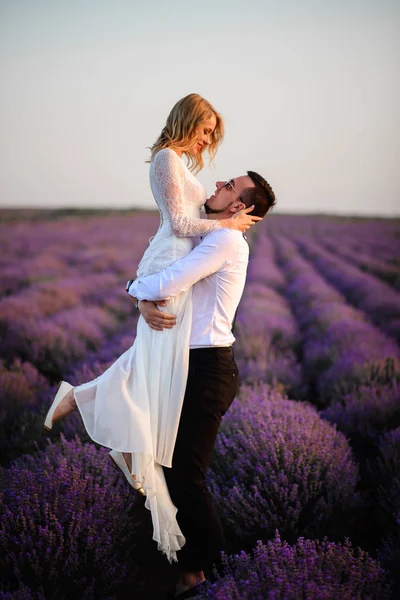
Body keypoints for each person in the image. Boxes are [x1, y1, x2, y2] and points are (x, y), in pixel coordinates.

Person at [42, 93, 260, 564]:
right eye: (205, 130)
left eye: (211, 135)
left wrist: (225, 227)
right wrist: (226, 224)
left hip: (178, 269)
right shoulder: (166, 159)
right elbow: (183, 221)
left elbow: (196, 223)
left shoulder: (194, 182)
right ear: (186, 121)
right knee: (150, 364)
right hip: (170, 258)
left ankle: (84, 400)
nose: (208, 140)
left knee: (151, 369)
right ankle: (88, 403)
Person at [128, 171, 276, 599]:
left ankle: (206, 572)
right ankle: (185, 564)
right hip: (190, 365)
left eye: (228, 185)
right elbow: (166, 271)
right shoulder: (214, 234)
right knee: (165, 463)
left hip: (208, 369)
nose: (216, 185)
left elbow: (171, 281)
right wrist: (141, 297)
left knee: (185, 475)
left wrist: (133, 290)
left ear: (240, 207)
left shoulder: (226, 241)